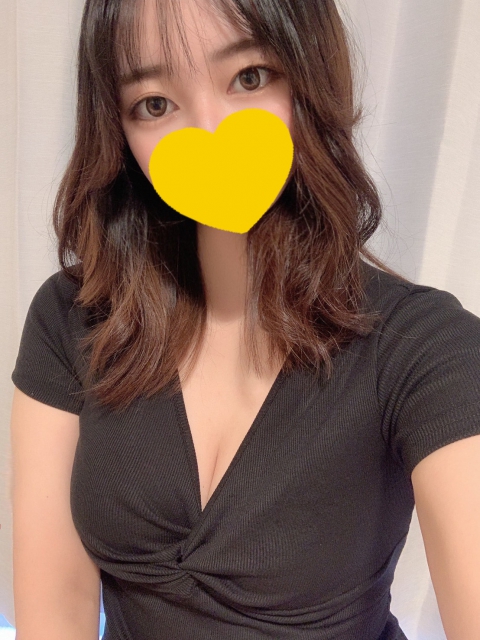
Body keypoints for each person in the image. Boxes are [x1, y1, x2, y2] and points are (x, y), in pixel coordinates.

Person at [9, 0, 480, 638]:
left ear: (310, 76)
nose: (209, 130)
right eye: (155, 104)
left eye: (249, 77)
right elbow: (55, 609)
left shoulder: (421, 348)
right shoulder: (73, 319)